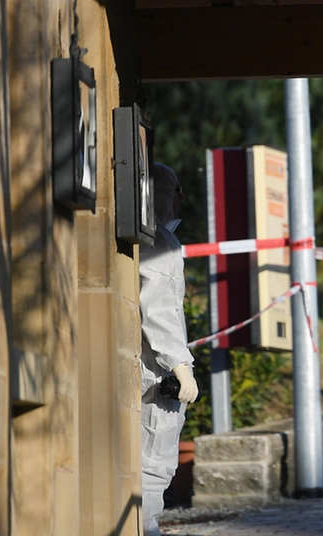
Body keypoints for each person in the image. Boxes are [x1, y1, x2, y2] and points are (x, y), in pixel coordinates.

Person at [139, 163, 199, 536]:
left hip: (149, 373)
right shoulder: (160, 241)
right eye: (176, 190)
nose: (181, 199)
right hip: (155, 378)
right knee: (152, 468)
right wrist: (181, 366)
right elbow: (159, 308)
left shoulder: (149, 237)